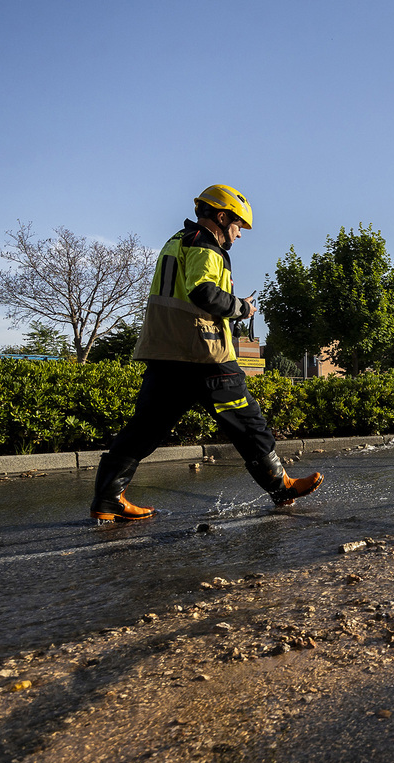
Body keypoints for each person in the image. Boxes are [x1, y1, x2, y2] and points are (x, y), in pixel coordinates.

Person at [90, 185, 323, 523]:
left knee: (145, 429)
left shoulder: (178, 240)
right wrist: (241, 307)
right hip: (205, 353)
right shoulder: (206, 245)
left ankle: (108, 499)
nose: (239, 234)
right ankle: (281, 486)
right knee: (248, 422)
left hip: (166, 352)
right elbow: (203, 292)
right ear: (222, 216)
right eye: (238, 226)